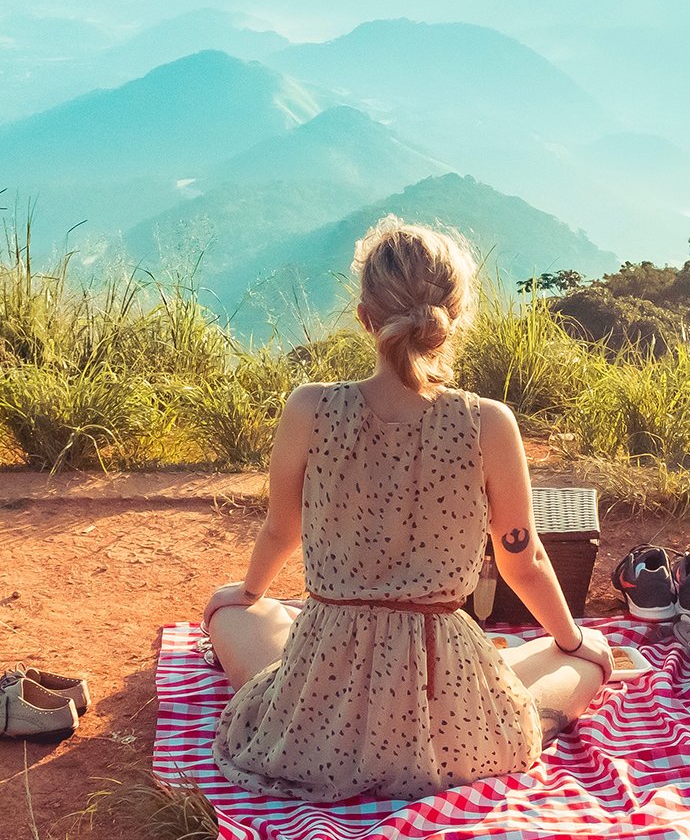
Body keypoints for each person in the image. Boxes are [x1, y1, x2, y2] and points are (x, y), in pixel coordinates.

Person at [202, 217, 612, 802]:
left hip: (325, 687)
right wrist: (572, 640)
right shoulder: (488, 422)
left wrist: (247, 590)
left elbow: (280, 529)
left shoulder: (309, 409)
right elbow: (524, 562)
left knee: (234, 614)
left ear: (365, 318)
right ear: (454, 320)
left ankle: (288, 650)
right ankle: (543, 668)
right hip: (445, 692)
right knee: (584, 660)